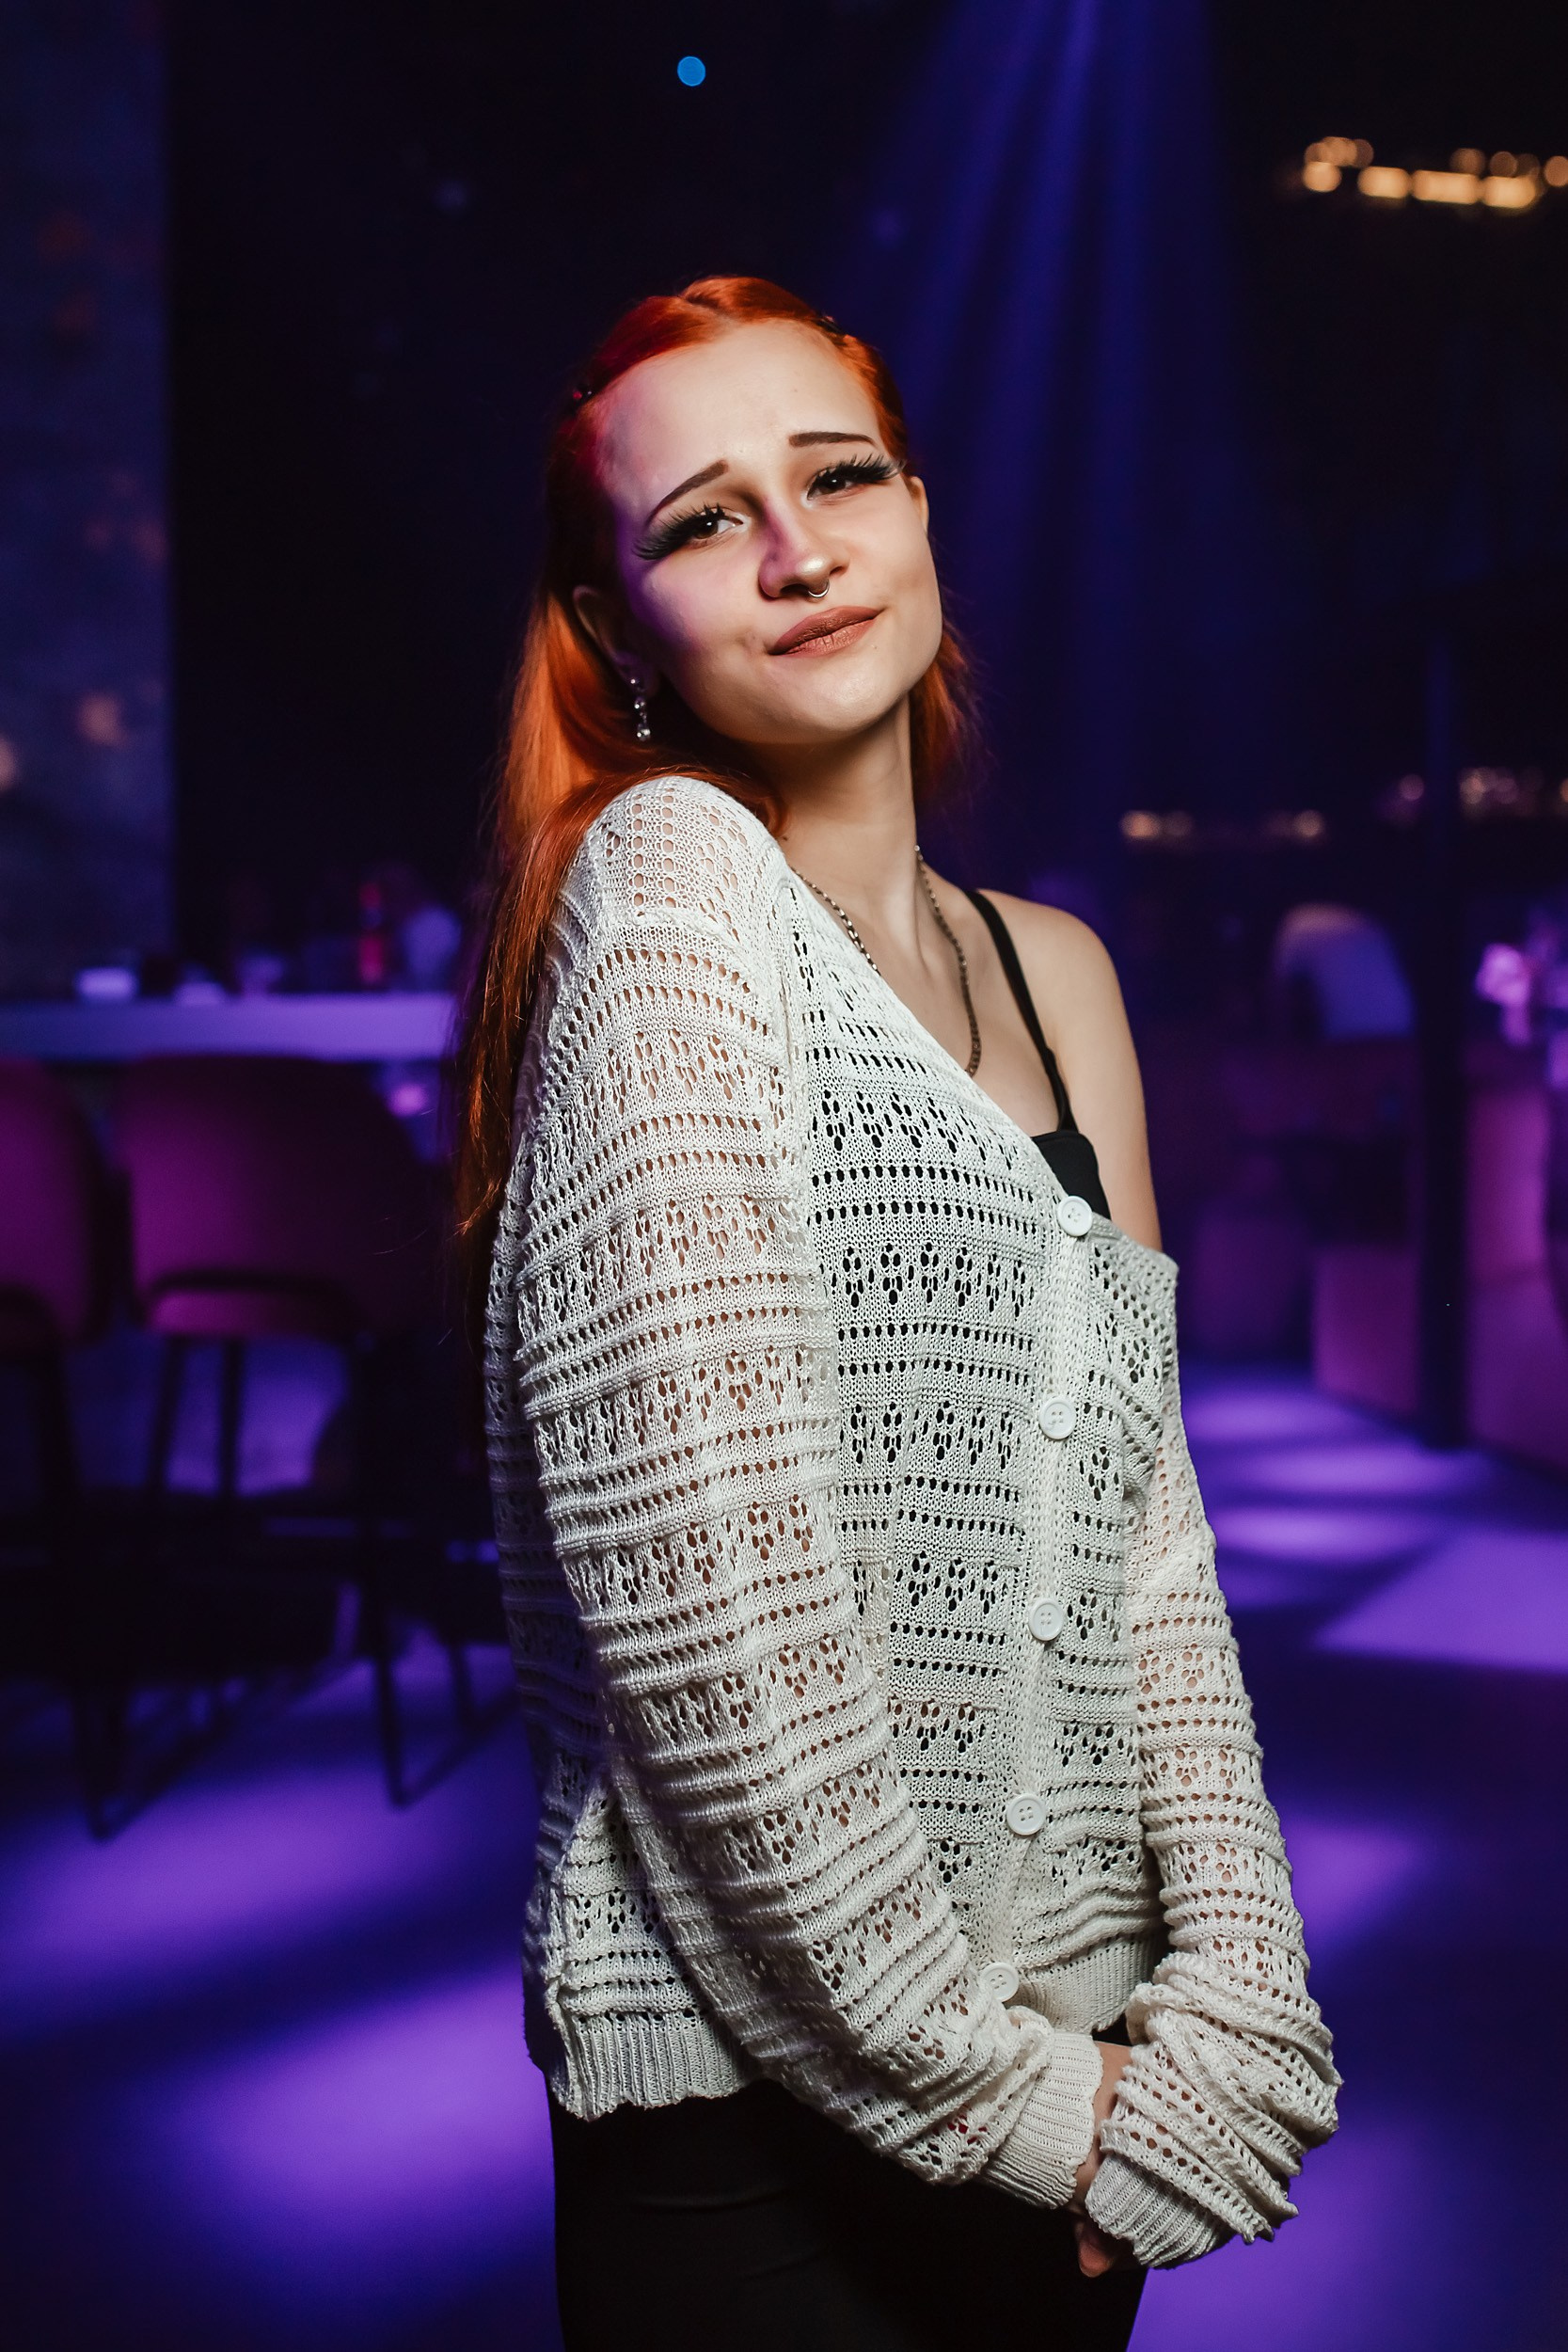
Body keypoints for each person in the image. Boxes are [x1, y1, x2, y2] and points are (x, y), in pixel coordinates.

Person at [457, 277, 1338, 2352]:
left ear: (920, 508)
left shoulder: (1057, 968)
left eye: (838, 475)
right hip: (774, 2135)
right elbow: (713, 1624)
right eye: (703, 519)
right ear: (612, 625)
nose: (797, 548)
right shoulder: (669, 885)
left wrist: (1240, 1994)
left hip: (1085, 2066)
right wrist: (1024, 2110)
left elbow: (1145, 1531)